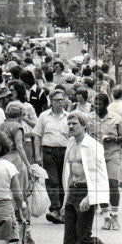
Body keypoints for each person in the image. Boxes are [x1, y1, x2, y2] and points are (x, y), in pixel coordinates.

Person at [59, 112, 122, 244]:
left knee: (83, 236)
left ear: (84, 125)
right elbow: (69, 173)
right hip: (72, 191)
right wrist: (66, 199)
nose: (71, 126)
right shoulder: (71, 144)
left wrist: (90, 197)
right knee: (69, 239)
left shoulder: (93, 146)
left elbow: (99, 174)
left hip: (85, 192)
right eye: (69, 123)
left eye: (74, 123)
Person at [90, 92, 122, 230]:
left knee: (112, 184)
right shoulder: (89, 119)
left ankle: (115, 216)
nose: (97, 107)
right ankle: (106, 217)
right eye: (95, 105)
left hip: (113, 154)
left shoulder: (116, 118)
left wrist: (114, 139)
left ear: (106, 105)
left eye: (100, 104)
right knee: (100, 186)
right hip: (97, 156)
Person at [32, 89, 69, 222]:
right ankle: (55, 208)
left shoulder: (68, 117)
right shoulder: (44, 116)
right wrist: (37, 154)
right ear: (51, 101)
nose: (60, 102)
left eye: (62, 99)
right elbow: (37, 135)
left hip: (65, 151)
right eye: (57, 100)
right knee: (52, 180)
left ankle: (62, 210)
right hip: (49, 151)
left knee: (63, 181)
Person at [0, 102, 32, 196]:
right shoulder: (17, 127)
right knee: (19, 186)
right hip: (14, 158)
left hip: (2, 158)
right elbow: (19, 147)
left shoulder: (1, 126)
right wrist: (28, 165)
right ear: (21, 115)